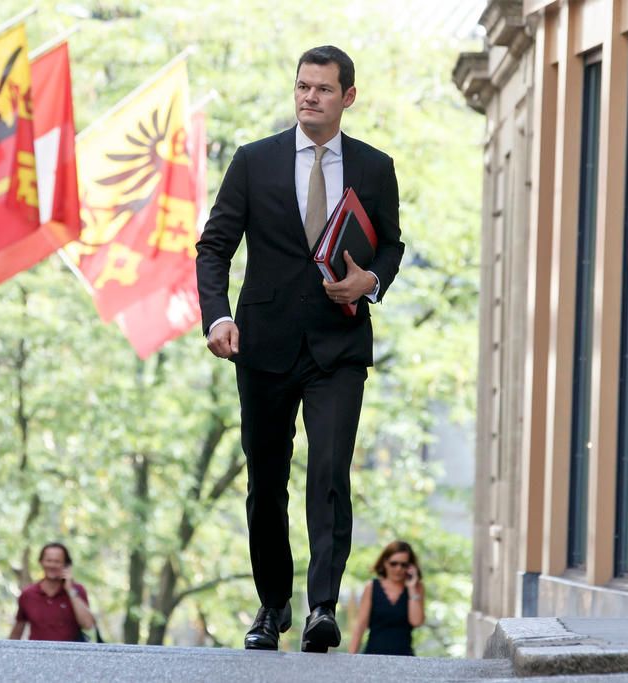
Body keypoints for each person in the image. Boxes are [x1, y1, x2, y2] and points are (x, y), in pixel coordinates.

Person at [196, 45, 404, 653]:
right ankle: (271, 603)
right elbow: (214, 247)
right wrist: (217, 316)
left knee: (330, 473)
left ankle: (321, 607)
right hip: (261, 345)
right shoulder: (253, 161)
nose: (310, 97)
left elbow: (390, 246)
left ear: (348, 97)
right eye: (302, 87)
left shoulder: (373, 166)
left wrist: (371, 281)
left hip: (338, 345)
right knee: (265, 479)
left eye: (322, 89)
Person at [347, 540, 424, 655]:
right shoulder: (372, 587)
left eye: (404, 564)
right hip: (373, 656)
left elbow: (416, 621)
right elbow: (360, 626)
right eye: (394, 563)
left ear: (410, 566)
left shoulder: (417, 587)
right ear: (385, 562)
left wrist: (412, 587)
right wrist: (349, 660)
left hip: (404, 659)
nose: (398, 568)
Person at [9, 542, 95, 641]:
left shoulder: (76, 591)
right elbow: (18, 630)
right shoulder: (28, 594)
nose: (52, 565)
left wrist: (70, 591)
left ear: (66, 565)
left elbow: (88, 625)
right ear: (41, 562)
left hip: (69, 655)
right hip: (37, 654)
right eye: (49, 560)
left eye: (57, 561)